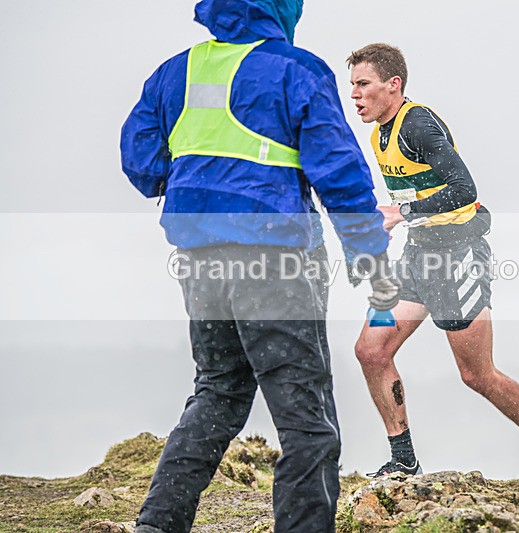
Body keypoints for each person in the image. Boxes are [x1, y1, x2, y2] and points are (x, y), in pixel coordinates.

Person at [120, 1, 400, 532]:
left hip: (199, 261)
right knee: (306, 417)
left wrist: (189, 181)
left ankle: (158, 524)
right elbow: (339, 172)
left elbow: (140, 161)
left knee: (217, 391)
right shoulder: (295, 69)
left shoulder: (176, 71)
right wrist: (368, 254)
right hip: (276, 261)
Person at [346, 43, 519, 480]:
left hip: (458, 257)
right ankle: (404, 460)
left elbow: (464, 189)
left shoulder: (419, 125)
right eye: (352, 85)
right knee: (371, 351)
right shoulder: (380, 133)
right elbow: (412, 195)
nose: (355, 95)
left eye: (363, 84)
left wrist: (401, 214)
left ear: (393, 85)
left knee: (476, 374)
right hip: (419, 256)